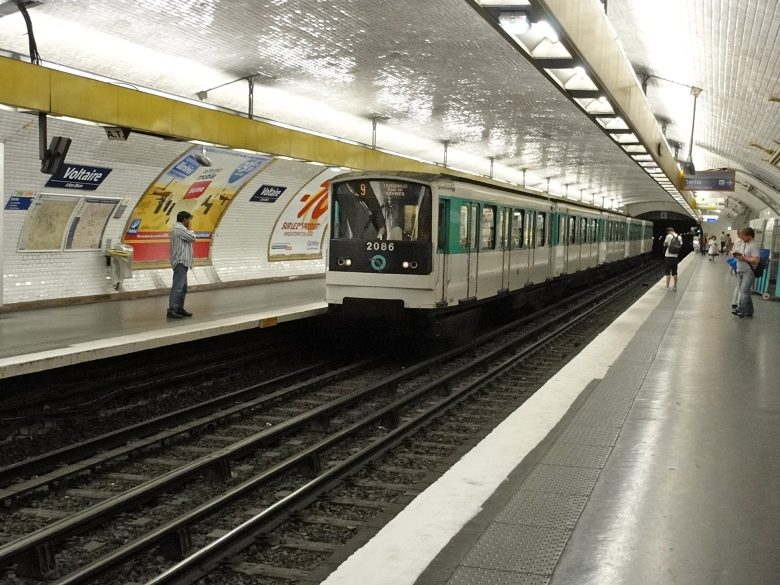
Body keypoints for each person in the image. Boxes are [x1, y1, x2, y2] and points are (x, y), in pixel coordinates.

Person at [167, 210, 196, 319]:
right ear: (184, 219)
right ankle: (172, 309)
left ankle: (179, 308)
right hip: (180, 261)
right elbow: (193, 237)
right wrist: (190, 230)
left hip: (183, 262)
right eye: (189, 220)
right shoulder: (179, 229)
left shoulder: (179, 229)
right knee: (178, 287)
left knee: (183, 287)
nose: (190, 222)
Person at [731, 227, 759, 318]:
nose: (741, 238)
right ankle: (750, 310)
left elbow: (756, 260)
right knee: (745, 291)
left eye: (743, 236)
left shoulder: (753, 245)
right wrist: (736, 255)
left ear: (749, 236)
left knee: (744, 290)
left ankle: (741, 310)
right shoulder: (743, 243)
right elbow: (741, 253)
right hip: (740, 269)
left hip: (749, 271)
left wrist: (744, 258)